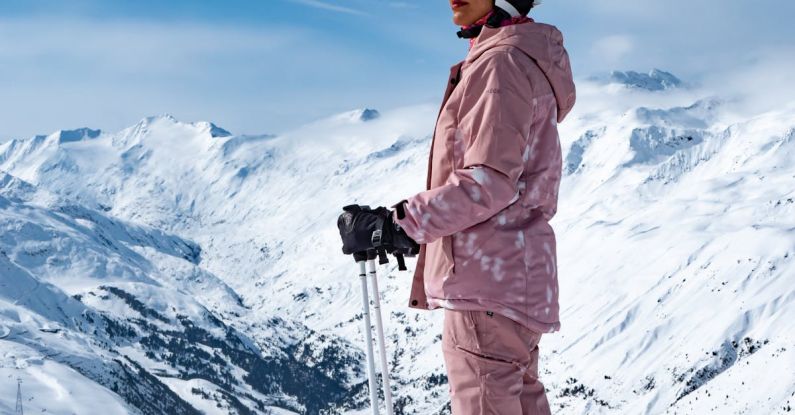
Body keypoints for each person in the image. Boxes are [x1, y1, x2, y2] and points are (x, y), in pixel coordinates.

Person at [337, 0, 575, 413]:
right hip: (512, 285)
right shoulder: (524, 59)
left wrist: (396, 226)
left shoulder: (500, 64)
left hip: (485, 288)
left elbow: (488, 182)